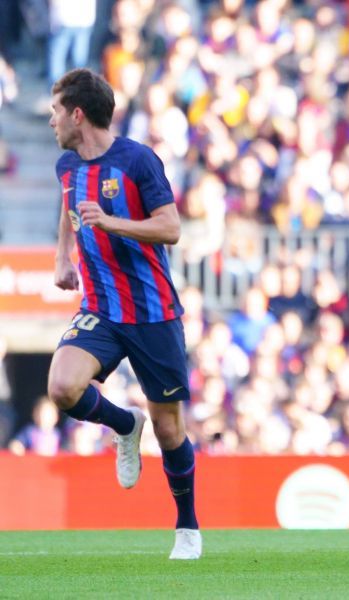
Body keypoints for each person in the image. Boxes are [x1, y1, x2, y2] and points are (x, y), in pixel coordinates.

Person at [48, 68, 200, 559]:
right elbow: (69, 207)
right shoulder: (67, 167)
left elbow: (171, 227)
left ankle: (187, 528)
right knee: (62, 387)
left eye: (55, 112)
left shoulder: (137, 161)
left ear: (77, 114)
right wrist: (62, 255)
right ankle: (122, 425)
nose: (50, 121)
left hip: (153, 312)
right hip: (101, 308)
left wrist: (111, 222)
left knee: (171, 428)